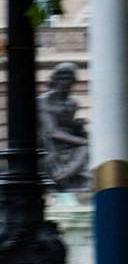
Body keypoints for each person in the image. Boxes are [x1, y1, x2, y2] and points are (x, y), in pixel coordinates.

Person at [37, 61, 90, 192]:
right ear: (54, 80)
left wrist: (77, 126)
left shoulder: (72, 103)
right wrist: (83, 141)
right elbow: (51, 132)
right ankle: (61, 177)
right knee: (86, 146)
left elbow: (67, 126)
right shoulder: (44, 101)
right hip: (48, 142)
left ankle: (70, 178)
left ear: (73, 81)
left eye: (68, 79)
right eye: (61, 78)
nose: (64, 82)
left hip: (66, 142)